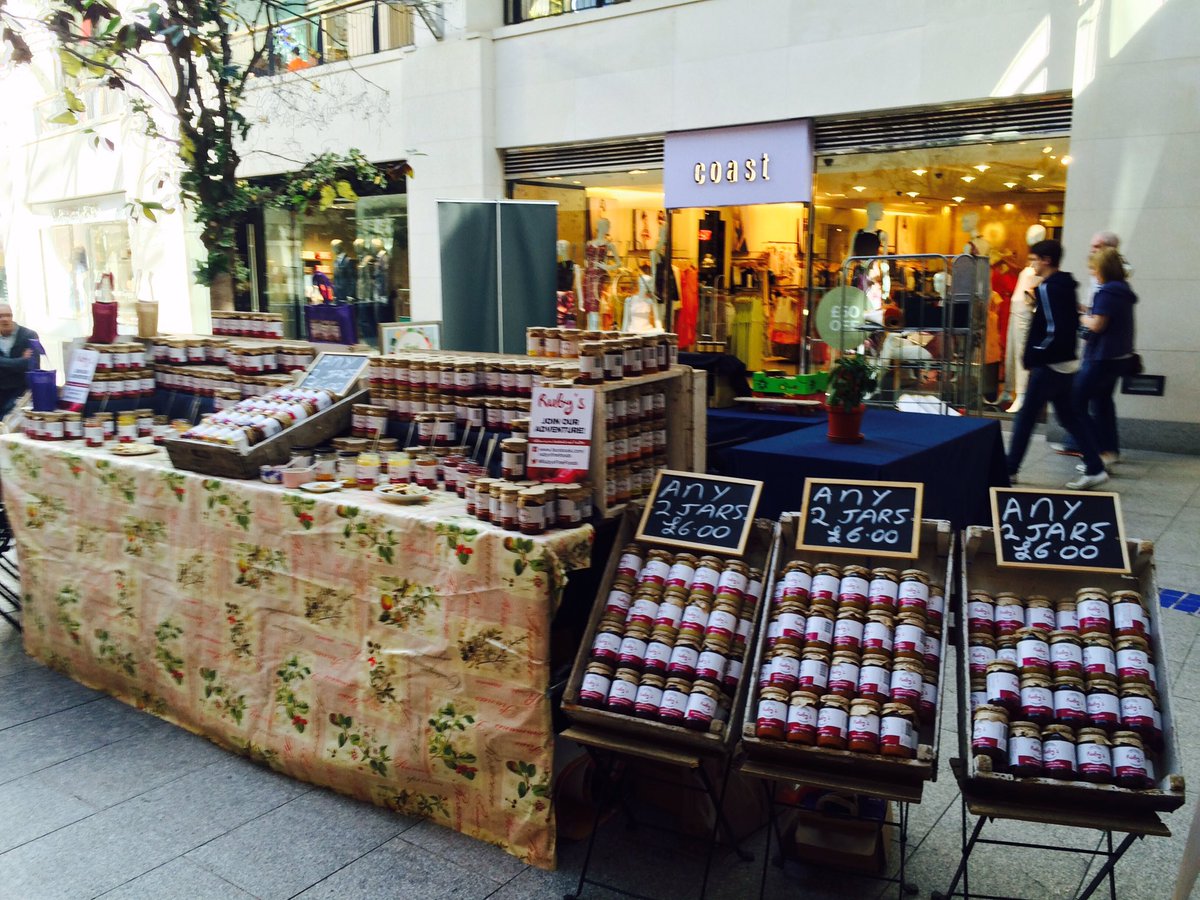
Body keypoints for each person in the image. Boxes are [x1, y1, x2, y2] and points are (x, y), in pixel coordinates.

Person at [1005, 240, 1109, 491]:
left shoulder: (1049, 288)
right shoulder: (1065, 285)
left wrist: (1036, 354)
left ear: (1046, 260)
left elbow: (1053, 328)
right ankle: (1094, 466)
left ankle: (1009, 470)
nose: (1032, 265)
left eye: (1035, 259)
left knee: (1027, 417)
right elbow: (1066, 323)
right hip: (1065, 362)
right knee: (1068, 416)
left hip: (1050, 364)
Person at [1073, 247, 1138, 468]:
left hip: (1101, 358)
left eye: (1094, 269)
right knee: (1102, 405)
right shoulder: (1123, 290)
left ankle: (1095, 454)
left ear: (1104, 269)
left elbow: (1098, 325)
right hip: (1118, 358)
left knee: (1075, 404)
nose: (1092, 273)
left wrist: (1081, 316)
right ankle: (1109, 451)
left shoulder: (1108, 291)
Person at [0, 303, 41, 418]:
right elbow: (23, 363)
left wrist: (3, 364)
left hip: (20, 392)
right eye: (0, 316)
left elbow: (33, 365)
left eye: (8, 315)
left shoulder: (29, 335)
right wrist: (20, 360)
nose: (5, 319)